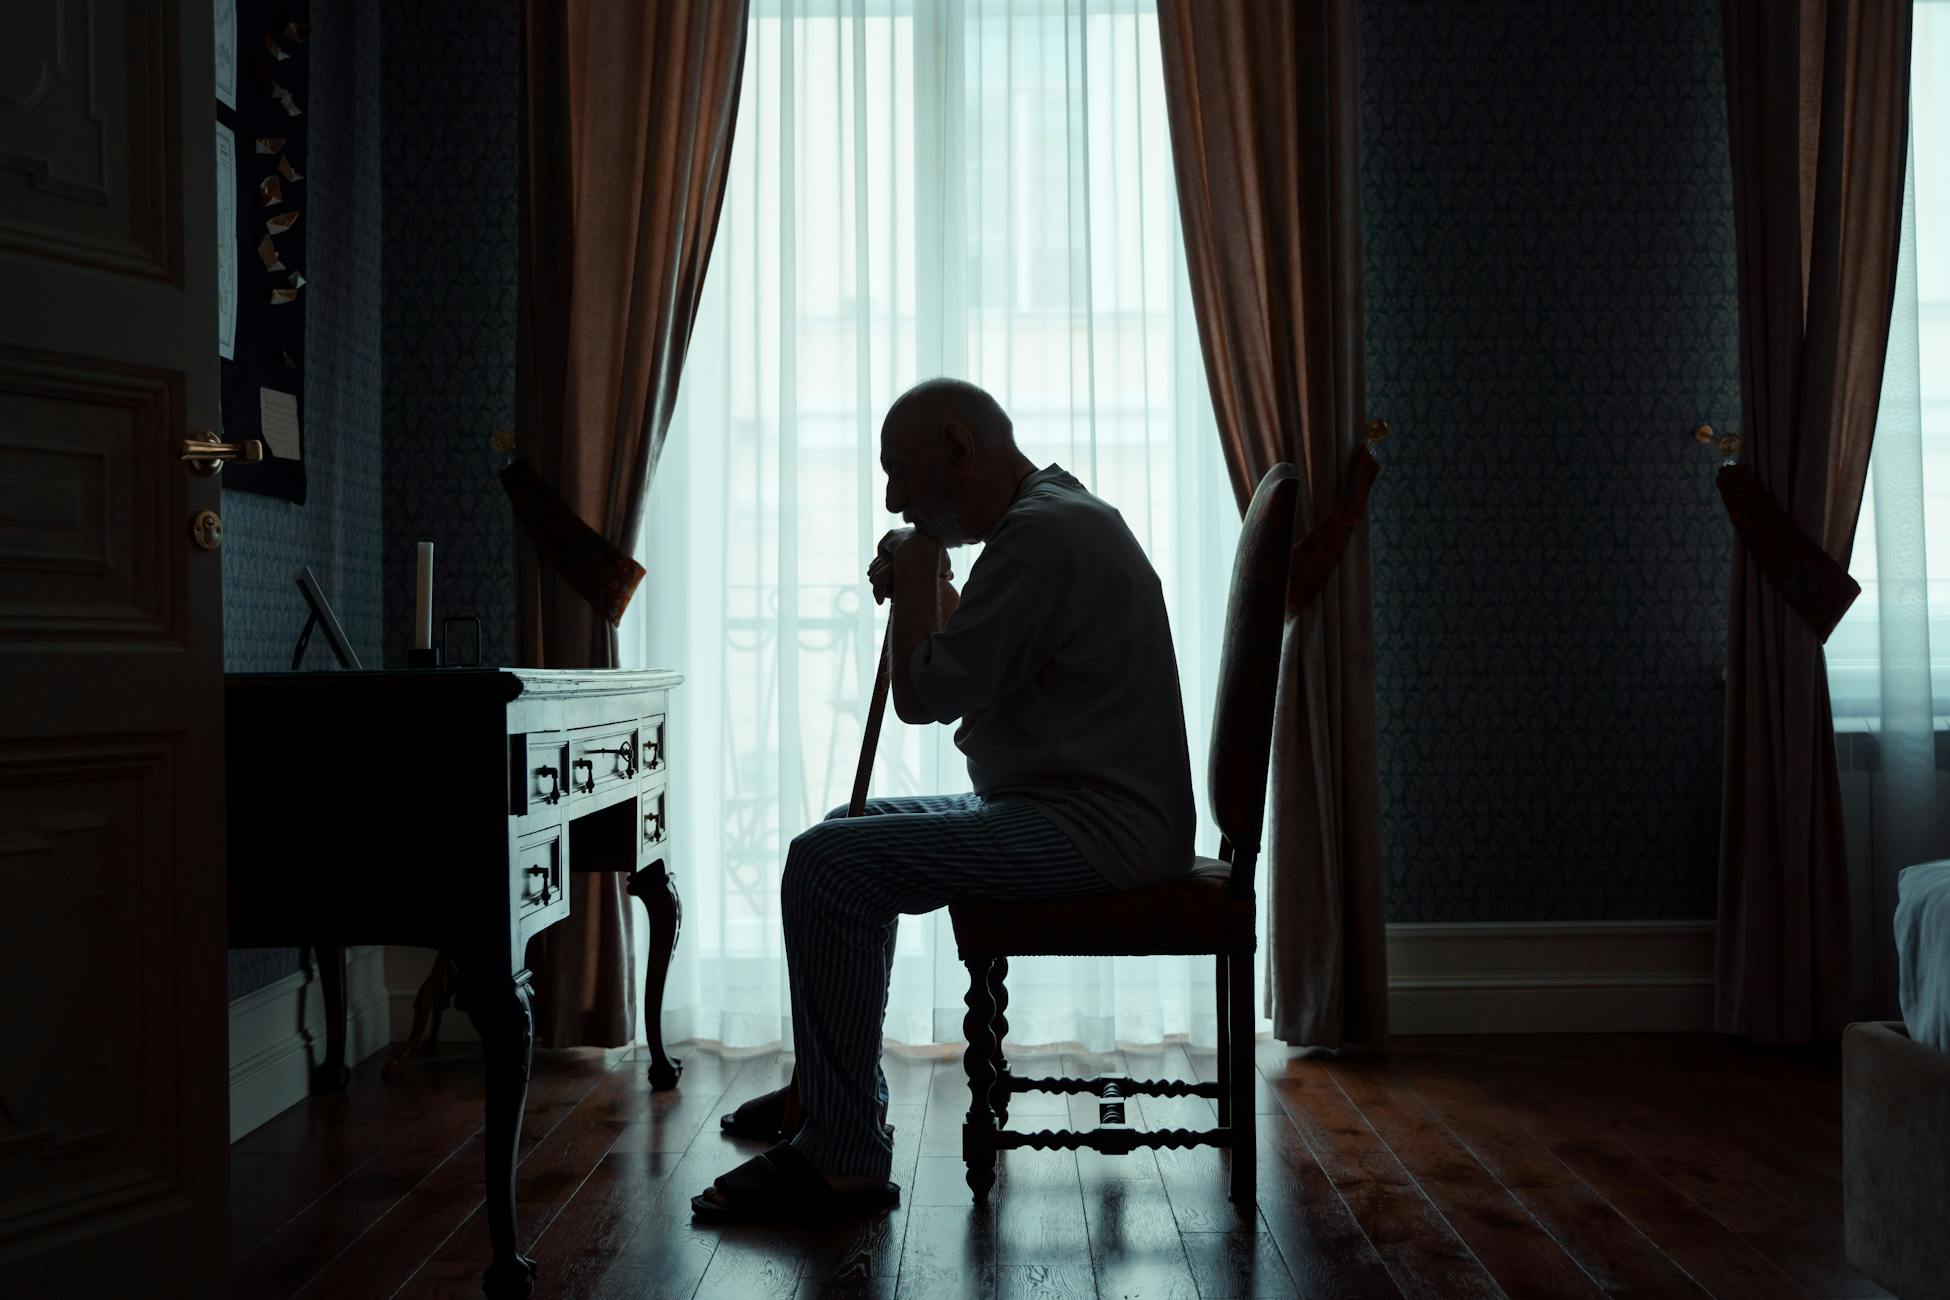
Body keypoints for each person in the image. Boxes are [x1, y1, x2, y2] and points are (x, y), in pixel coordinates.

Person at [692, 378, 1196, 1222]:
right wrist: (930, 588)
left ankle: (844, 1154)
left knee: (827, 865)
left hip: (1095, 832)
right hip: (1065, 808)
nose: (891, 496)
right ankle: (829, 1093)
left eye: (899, 472)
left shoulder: (1041, 535)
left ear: (958, 448)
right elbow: (982, 653)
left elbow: (925, 696)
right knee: (842, 836)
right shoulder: (1047, 522)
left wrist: (923, 567)